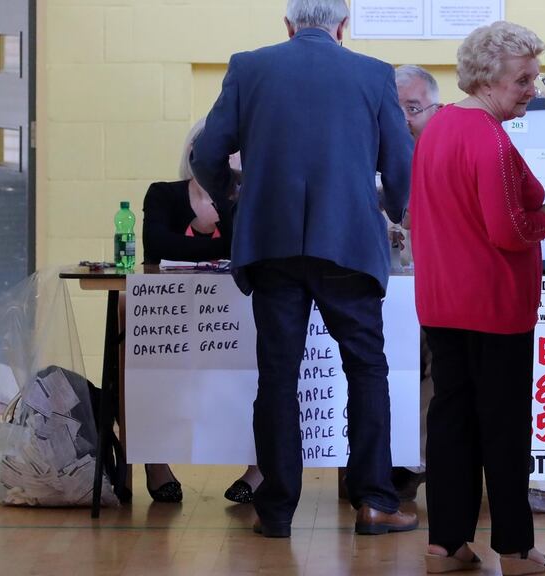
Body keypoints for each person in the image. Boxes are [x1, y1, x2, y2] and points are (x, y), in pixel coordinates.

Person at [190, 0, 417, 538]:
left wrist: (234, 205)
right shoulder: (373, 73)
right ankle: (374, 501)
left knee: (278, 375)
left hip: (271, 244)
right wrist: (394, 211)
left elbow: (207, 152)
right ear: (343, 27)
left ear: (288, 26)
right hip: (350, 246)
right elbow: (401, 161)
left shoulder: (248, 66)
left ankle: (276, 511)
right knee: (366, 369)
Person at [410, 21, 545, 576]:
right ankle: (516, 549)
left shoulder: (439, 128)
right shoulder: (490, 137)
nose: (533, 90)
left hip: (443, 301)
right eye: (522, 79)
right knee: (504, 427)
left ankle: (445, 545)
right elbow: (508, 229)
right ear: (488, 78)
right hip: (494, 305)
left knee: (451, 422)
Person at [139, 118, 263, 505]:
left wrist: (226, 199)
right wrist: (220, 249)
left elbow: (242, 244)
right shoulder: (163, 194)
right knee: (149, 373)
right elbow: (157, 242)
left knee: (257, 375)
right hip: (168, 316)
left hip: (233, 317)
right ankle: (155, 464)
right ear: (192, 155)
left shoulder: (245, 199)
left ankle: (258, 471)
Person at [390, 64, 442, 501]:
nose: (403, 118)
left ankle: (416, 462)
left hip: (436, 288)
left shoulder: (445, 152)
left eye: (413, 108)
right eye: (395, 109)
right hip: (384, 290)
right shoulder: (371, 155)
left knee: (431, 372)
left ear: (434, 108)